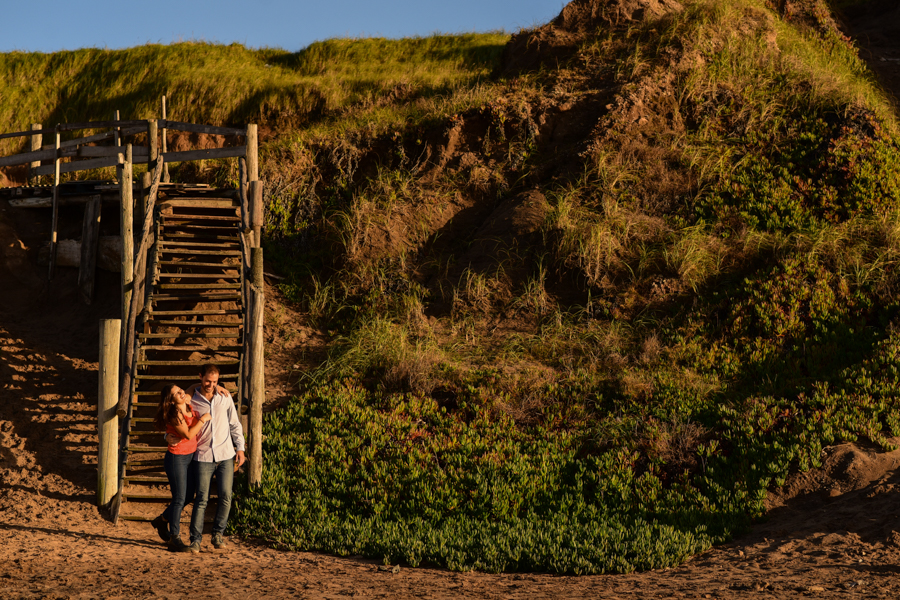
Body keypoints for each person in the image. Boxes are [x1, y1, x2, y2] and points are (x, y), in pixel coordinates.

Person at [166, 364, 246, 553]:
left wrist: (240, 448)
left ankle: (218, 535)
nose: (211, 385)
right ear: (200, 377)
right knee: (201, 498)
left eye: (215, 382)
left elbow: (234, 424)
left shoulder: (224, 397)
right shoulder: (191, 398)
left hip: (226, 454)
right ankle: (195, 540)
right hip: (202, 455)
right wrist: (166, 436)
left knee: (226, 496)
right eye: (208, 381)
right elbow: (173, 416)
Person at [151, 384, 211, 552]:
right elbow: (188, 434)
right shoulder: (174, 414)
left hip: (191, 456)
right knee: (178, 498)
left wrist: (219, 388)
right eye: (176, 393)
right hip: (176, 458)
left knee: (188, 496)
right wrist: (202, 420)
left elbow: (193, 386)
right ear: (170, 400)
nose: (181, 392)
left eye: (180, 389)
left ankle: (162, 520)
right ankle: (174, 538)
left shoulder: (187, 401)